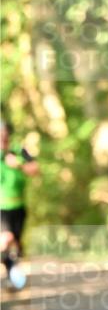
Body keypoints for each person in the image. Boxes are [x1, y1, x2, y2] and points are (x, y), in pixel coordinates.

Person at [1, 119, 39, 291]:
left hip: (18, 206)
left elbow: (35, 169)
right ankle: (12, 275)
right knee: (5, 239)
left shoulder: (18, 150)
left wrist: (18, 164)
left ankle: (11, 275)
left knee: (15, 245)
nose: (2, 138)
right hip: (1, 207)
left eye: (4, 134)